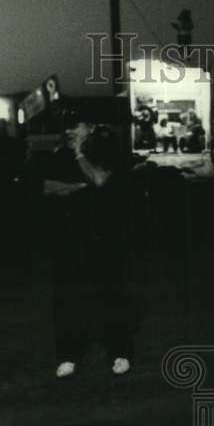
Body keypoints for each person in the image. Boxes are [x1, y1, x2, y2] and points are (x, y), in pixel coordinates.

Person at [42, 116, 134, 377]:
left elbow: (100, 180)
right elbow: (46, 186)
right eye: (68, 128)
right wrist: (74, 187)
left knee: (110, 295)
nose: (71, 131)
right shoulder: (59, 154)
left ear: (90, 128)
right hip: (70, 238)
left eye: (77, 127)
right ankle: (68, 356)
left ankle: (119, 352)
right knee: (68, 298)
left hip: (104, 238)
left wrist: (81, 156)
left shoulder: (107, 149)